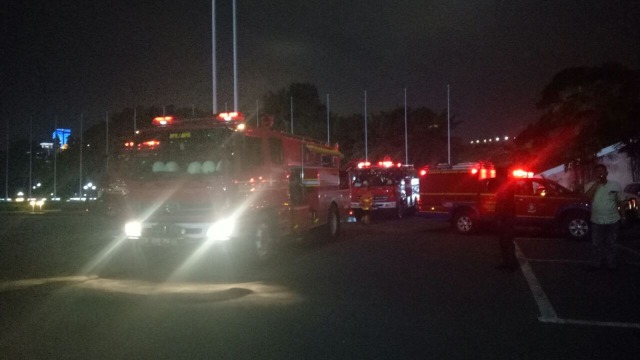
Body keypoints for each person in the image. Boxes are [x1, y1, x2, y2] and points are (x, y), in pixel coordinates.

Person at [584, 164, 624, 270]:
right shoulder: (590, 185)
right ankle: (596, 263)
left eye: (602, 171)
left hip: (613, 220)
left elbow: (620, 202)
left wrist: (623, 216)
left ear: (606, 173)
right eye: (597, 172)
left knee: (611, 243)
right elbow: (587, 197)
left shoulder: (615, 185)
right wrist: (596, 184)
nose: (600, 173)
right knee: (596, 244)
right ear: (595, 174)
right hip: (597, 220)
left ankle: (611, 263)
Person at [495, 179, 518, 271]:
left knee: (507, 242)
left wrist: (500, 218)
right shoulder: (504, 190)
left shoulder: (506, 191)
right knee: (504, 242)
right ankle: (507, 262)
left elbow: (504, 207)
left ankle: (511, 264)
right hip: (505, 219)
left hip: (507, 220)